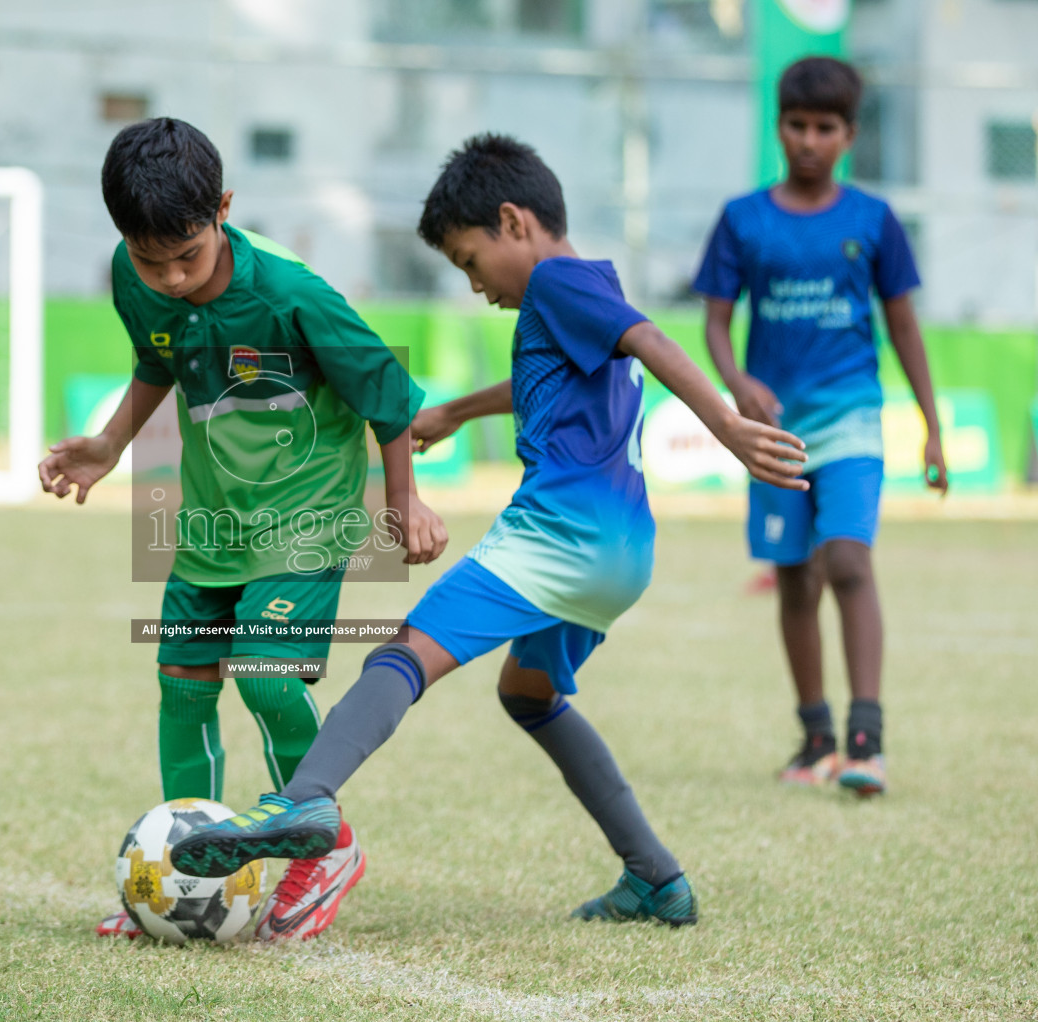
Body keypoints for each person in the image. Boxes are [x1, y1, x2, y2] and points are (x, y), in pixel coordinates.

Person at [171, 133, 809, 926]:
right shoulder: (583, 290)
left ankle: (305, 801)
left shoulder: (554, 283)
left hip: (558, 535)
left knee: (405, 652)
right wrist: (454, 410)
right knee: (529, 695)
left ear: (514, 221)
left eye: (470, 262)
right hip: (622, 554)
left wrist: (727, 422)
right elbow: (548, 372)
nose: (474, 286)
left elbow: (652, 338)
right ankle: (655, 876)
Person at [37, 117, 447, 941]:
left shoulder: (294, 294)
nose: (170, 277)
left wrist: (402, 499)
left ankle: (323, 844)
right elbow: (159, 358)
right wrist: (111, 446)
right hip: (211, 524)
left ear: (222, 208)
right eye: (150, 261)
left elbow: (388, 393)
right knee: (182, 687)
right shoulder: (136, 276)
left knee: (264, 677)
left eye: (185, 256)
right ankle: (189, 873)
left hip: (307, 517)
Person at [693, 57, 946, 797]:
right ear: (778, 128)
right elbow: (714, 322)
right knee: (795, 579)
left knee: (848, 563)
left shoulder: (872, 219)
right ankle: (815, 741)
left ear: (850, 135)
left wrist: (932, 425)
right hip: (772, 432)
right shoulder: (744, 218)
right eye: (797, 125)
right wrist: (737, 384)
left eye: (825, 127)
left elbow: (902, 323)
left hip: (852, 418)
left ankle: (867, 741)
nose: (809, 140)